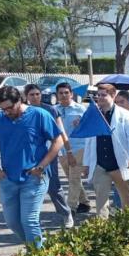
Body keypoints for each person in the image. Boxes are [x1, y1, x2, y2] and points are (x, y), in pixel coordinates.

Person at [0, 86, 63, 247]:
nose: (6, 112)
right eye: (2, 109)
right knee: (13, 222)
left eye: (9, 108)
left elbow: (58, 140)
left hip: (34, 177)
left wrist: (41, 166)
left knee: (29, 220)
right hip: (8, 178)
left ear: (19, 100)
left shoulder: (39, 115)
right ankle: (37, 246)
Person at [82, 84, 129, 218]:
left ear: (113, 95)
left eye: (103, 95)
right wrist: (86, 163)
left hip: (119, 163)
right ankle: (102, 229)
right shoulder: (94, 114)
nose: (100, 98)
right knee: (100, 199)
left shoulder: (125, 115)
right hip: (100, 163)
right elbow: (89, 140)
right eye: (98, 95)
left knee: (125, 196)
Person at [24, 84, 74, 228]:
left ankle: (66, 213)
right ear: (26, 97)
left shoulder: (50, 110)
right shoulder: (23, 111)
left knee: (53, 187)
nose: (35, 97)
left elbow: (61, 133)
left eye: (37, 94)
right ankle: (34, 220)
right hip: (29, 157)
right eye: (32, 95)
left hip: (49, 155)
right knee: (31, 188)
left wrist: (69, 151)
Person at [54, 83, 92, 214]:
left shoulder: (81, 109)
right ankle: (85, 202)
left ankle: (70, 208)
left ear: (71, 94)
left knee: (75, 177)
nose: (64, 95)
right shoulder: (53, 110)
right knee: (71, 178)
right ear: (57, 95)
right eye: (61, 93)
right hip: (62, 149)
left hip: (79, 147)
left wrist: (81, 124)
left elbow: (90, 127)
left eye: (66, 92)